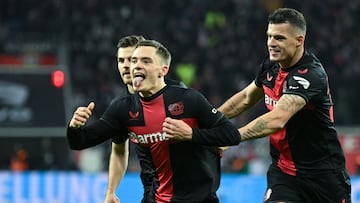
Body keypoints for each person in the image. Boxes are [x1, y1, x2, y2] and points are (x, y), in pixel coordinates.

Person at [162, 8, 351, 203]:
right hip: (284, 174)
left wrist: (229, 136)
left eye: (279, 38)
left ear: (299, 40)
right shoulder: (270, 66)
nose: (271, 43)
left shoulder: (310, 75)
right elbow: (245, 98)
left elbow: (276, 119)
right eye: (269, 36)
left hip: (325, 176)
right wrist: (208, 120)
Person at [67, 39, 241, 203]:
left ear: (163, 70)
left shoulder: (189, 99)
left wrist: (191, 134)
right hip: (156, 198)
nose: (135, 66)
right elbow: (80, 141)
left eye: (146, 61)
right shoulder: (123, 109)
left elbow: (231, 135)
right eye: (133, 61)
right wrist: (75, 126)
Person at [67, 35, 186, 203]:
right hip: (154, 193)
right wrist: (111, 191)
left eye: (131, 59)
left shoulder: (178, 93)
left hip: (189, 190)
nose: (126, 66)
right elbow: (118, 150)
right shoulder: (122, 108)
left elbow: (205, 129)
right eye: (121, 60)